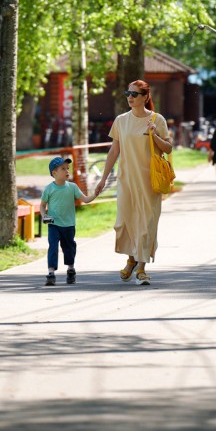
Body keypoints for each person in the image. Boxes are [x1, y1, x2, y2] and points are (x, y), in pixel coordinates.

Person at [94, 80, 172, 286]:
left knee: (146, 224)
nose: (130, 97)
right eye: (128, 93)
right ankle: (131, 259)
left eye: (135, 94)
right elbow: (114, 151)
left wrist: (154, 134)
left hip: (149, 182)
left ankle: (141, 269)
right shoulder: (121, 121)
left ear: (145, 97)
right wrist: (103, 179)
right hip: (126, 181)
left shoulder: (157, 119)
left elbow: (168, 148)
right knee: (125, 223)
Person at [40, 156, 97, 286]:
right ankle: (51, 273)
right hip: (53, 224)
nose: (67, 171)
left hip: (69, 225)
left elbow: (85, 199)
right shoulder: (49, 189)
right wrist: (44, 216)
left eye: (68, 168)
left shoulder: (72, 187)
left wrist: (95, 194)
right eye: (63, 169)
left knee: (69, 248)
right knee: (53, 247)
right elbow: (42, 205)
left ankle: (71, 269)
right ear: (54, 173)